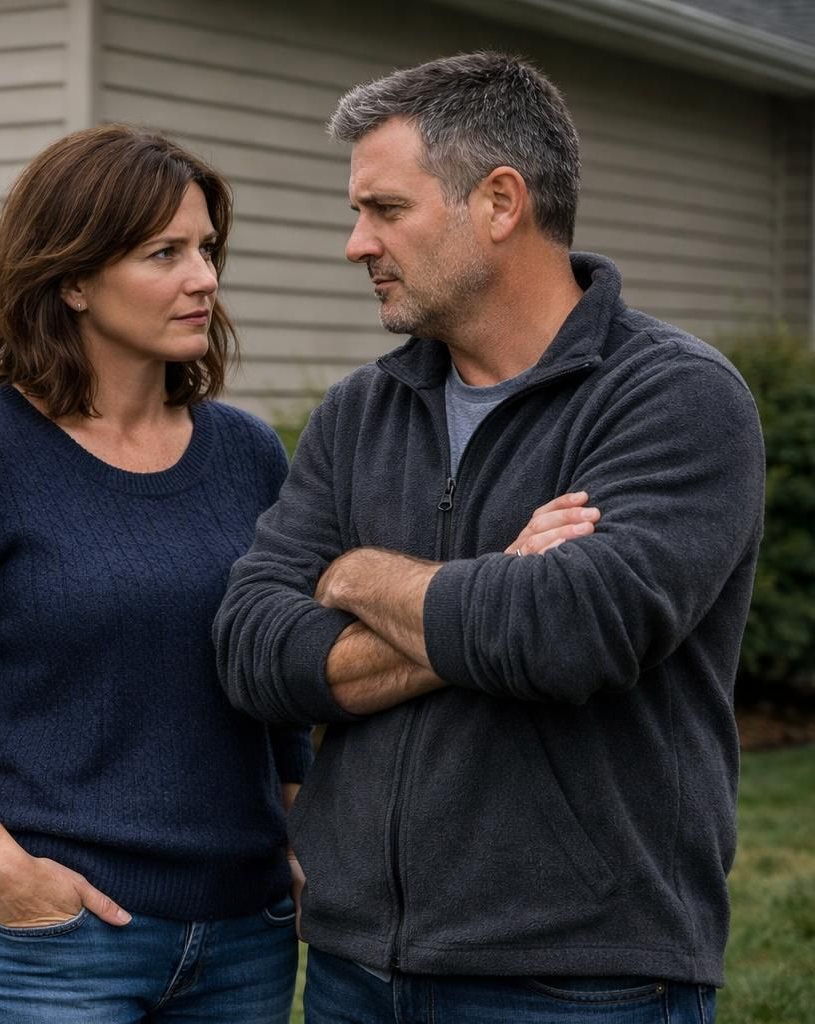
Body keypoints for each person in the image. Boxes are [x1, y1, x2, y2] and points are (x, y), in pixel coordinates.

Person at [214, 52, 763, 1023]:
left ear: (500, 202)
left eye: (385, 209)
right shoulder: (360, 412)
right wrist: (493, 588)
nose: (356, 243)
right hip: (353, 967)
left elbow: (573, 632)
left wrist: (350, 573)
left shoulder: (673, 397)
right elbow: (253, 646)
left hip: (579, 976)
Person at [0, 125, 305, 1023]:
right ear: (72, 280)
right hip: (52, 940)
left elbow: (278, 685)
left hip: (245, 935)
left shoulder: (249, 454)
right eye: (163, 253)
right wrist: (4, 873)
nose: (203, 277)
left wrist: (297, 834)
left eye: (206, 248)